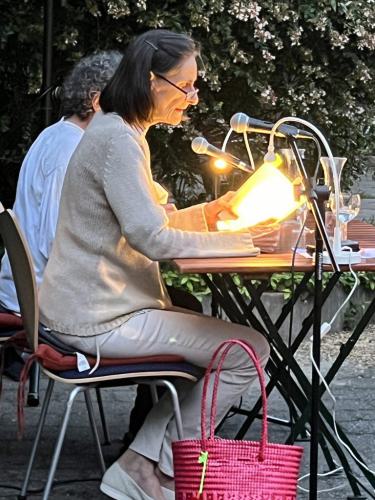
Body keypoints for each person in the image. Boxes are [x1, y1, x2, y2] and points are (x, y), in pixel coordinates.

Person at [38, 29, 270, 500]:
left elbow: (148, 221)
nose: (193, 96)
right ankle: (156, 467)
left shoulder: (117, 130)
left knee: (235, 344)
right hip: (98, 318)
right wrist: (241, 244)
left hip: (89, 307)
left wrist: (208, 214)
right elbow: (152, 239)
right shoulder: (118, 140)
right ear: (151, 81)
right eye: (186, 86)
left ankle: (144, 463)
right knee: (248, 352)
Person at [0, 51, 122, 380]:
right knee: (179, 311)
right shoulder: (72, 150)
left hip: (29, 288)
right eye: (124, 101)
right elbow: (58, 239)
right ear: (97, 101)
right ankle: (160, 427)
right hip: (45, 300)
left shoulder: (55, 135)